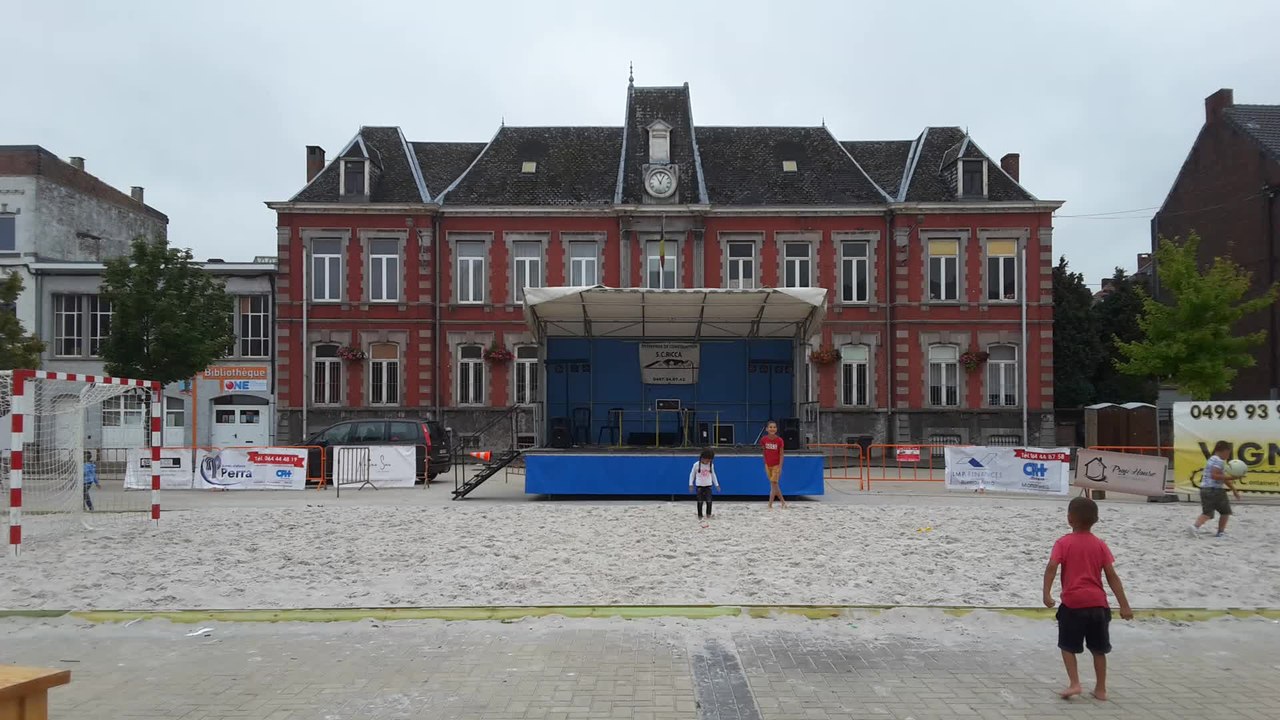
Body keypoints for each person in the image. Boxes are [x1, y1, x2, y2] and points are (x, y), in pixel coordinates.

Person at [1042, 496, 1133, 701]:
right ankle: (1101, 689)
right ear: (1095, 520)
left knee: (1067, 646)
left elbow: (1051, 567)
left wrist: (1046, 593)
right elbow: (1112, 577)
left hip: (1073, 605)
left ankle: (1075, 683)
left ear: (1069, 518)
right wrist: (1124, 606)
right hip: (1099, 606)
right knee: (1099, 650)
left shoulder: (1063, 543)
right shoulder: (1100, 545)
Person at [1190, 440, 1241, 538]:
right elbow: (1215, 476)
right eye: (1228, 453)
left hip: (1204, 489)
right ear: (1224, 451)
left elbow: (1221, 477)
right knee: (1225, 512)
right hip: (1215, 490)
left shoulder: (1211, 459)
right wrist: (1233, 477)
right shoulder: (1219, 461)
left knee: (1207, 513)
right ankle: (1220, 533)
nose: (1228, 456)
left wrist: (1234, 489)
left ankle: (1194, 527)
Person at [688, 448, 720, 523]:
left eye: (710, 460)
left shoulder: (711, 465)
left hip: (708, 485)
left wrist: (717, 484)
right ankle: (700, 515)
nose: (708, 461)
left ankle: (708, 514)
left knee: (709, 501)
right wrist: (690, 484)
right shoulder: (696, 465)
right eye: (707, 460)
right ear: (702, 458)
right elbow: (692, 475)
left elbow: (713, 475)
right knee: (700, 501)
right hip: (699, 486)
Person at [760, 420, 787, 509]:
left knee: (774, 483)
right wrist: (765, 463)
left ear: (776, 429)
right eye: (770, 427)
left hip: (776, 465)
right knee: (774, 485)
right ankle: (780, 503)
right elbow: (764, 452)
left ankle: (773, 503)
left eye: (774, 427)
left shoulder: (779, 440)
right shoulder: (764, 440)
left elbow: (781, 454)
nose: (772, 429)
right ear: (767, 429)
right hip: (768, 465)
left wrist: (780, 466)